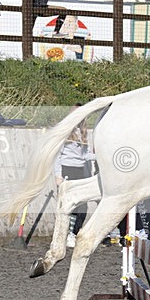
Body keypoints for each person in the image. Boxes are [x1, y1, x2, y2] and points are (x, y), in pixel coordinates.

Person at [53, 104, 94, 248]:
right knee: (67, 205)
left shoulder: (83, 132)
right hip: (67, 169)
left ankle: (73, 233)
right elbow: (57, 155)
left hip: (80, 170)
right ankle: (65, 234)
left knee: (80, 205)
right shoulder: (65, 131)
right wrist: (58, 175)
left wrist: (101, 156)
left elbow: (85, 155)